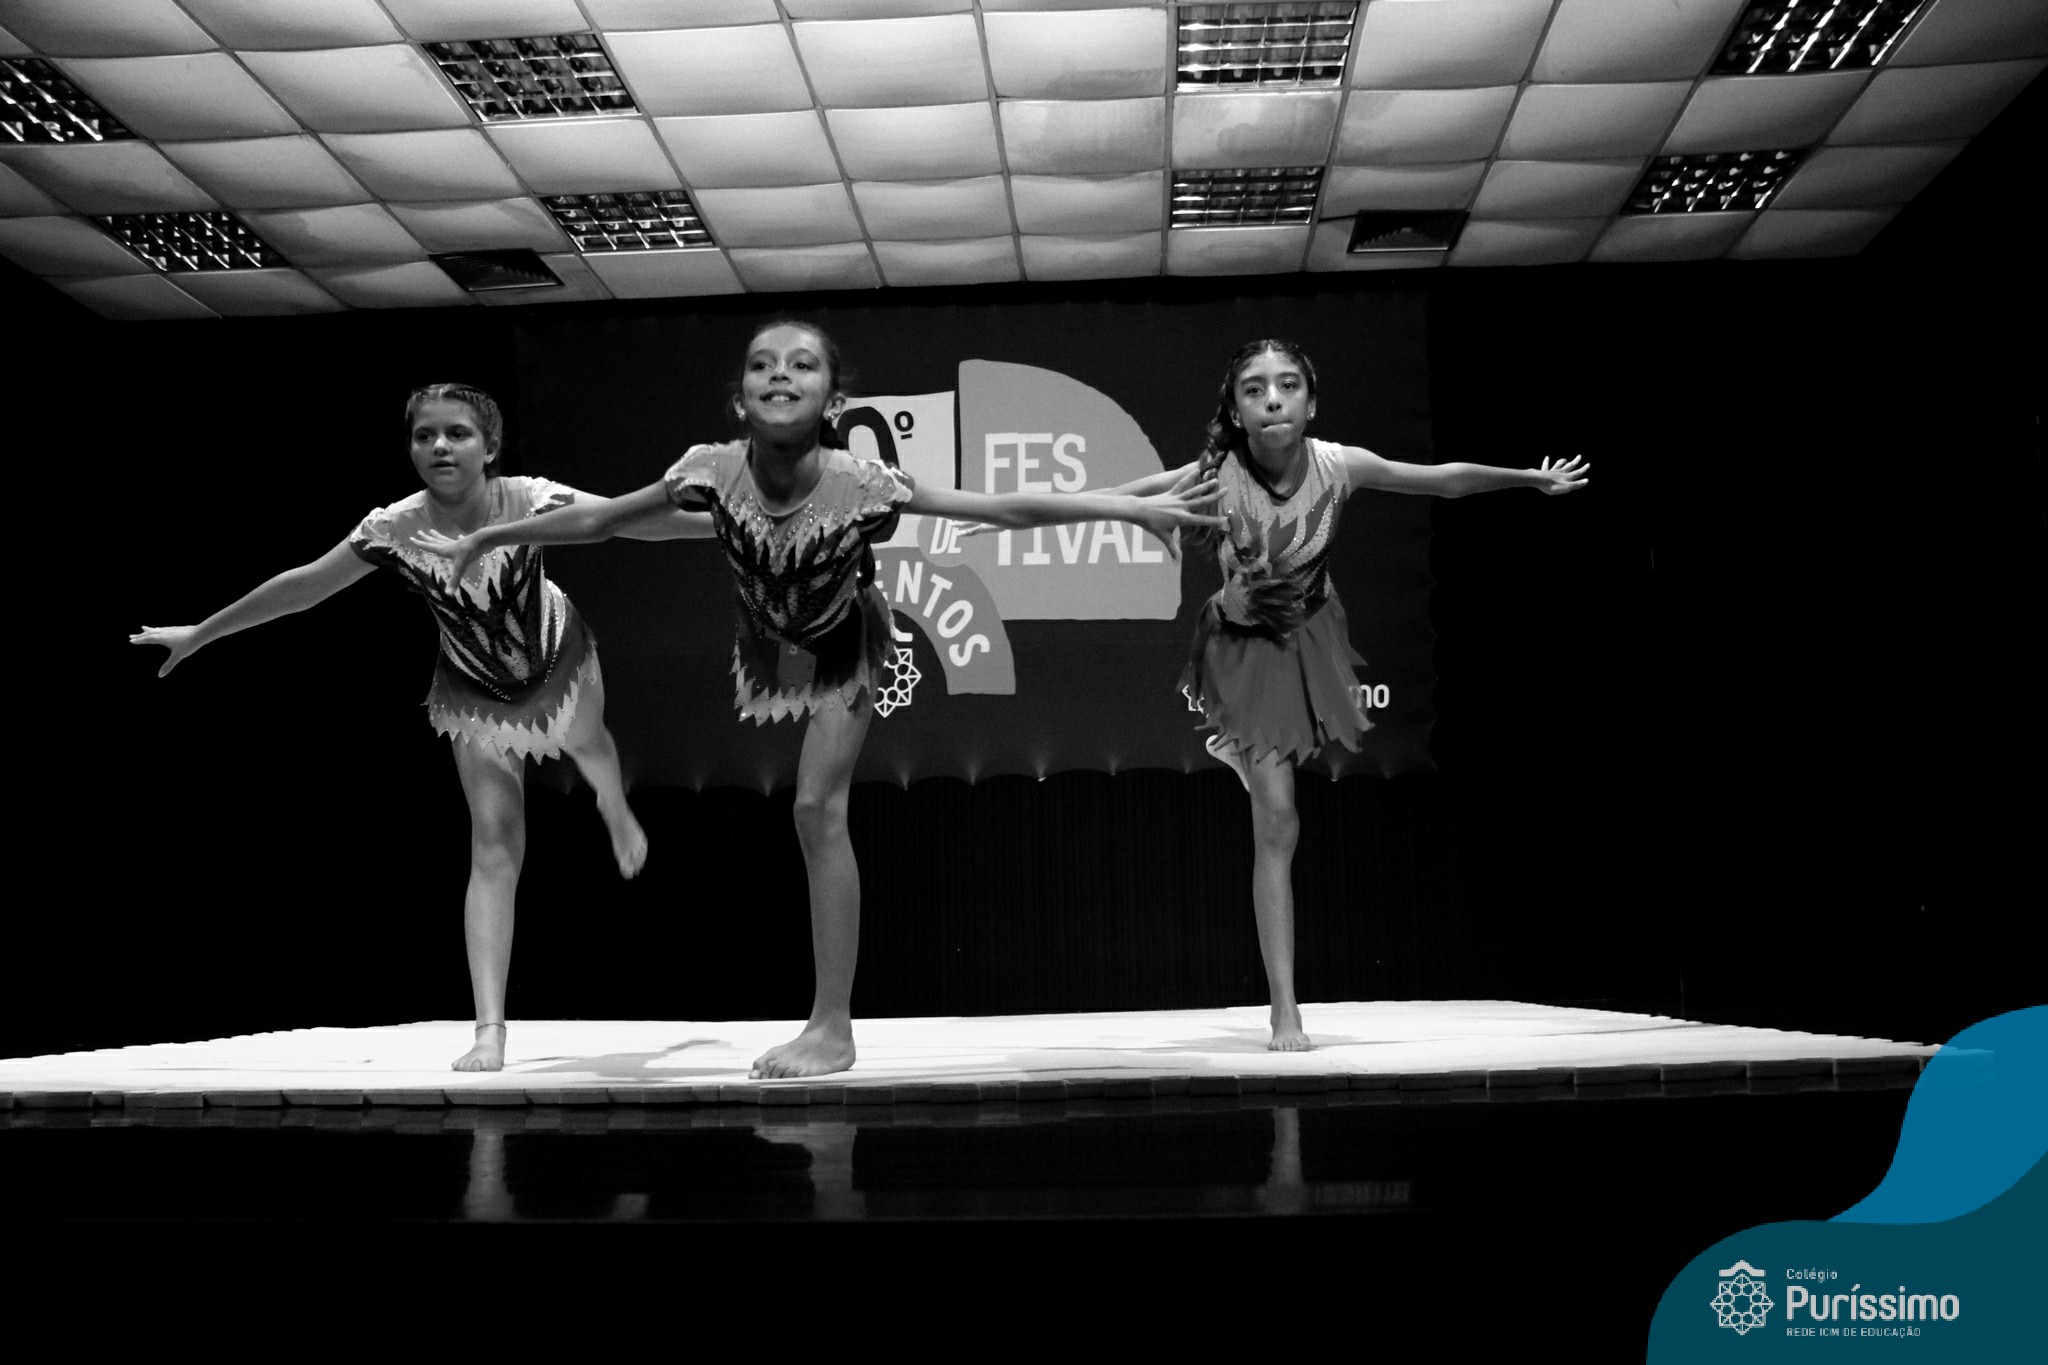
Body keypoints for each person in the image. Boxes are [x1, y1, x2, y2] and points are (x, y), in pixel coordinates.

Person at [415, 321, 1224, 1078]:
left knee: (814, 809)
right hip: (774, 639)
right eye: (762, 364)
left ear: (834, 402)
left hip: (844, 641)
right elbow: (601, 523)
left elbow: (1002, 506)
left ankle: (832, 1025)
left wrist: (1129, 506)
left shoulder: (861, 482)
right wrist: (494, 534)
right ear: (740, 399)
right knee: (804, 796)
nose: (780, 374)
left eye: (802, 365)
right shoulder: (708, 469)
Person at [131, 384, 709, 1072]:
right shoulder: (392, 527)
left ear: (489, 448)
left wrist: (731, 530)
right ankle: (489, 1029)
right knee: (495, 843)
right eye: (425, 435)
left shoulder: (529, 498)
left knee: (587, 743)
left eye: (457, 433)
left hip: (553, 653)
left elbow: (620, 521)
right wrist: (202, 633)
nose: (439, 446)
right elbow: (305, 585)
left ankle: (613, 805)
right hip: (472, 685)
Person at [1118, 339, 1588, 1051]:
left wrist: (1527, 478)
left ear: (1311, 402)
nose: (1272, 399)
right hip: (1242, 645)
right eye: (1254, 389)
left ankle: (1238, 755)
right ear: (1236, 412)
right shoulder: (1214, 473)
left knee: (1280, 804)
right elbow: (1115, 497)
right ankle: (1284, 1007)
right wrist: (1006, 514)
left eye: (1287, 385)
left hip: (1308, 631)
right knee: (1278, 820)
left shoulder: (1339, 465)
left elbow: (1442, 481)